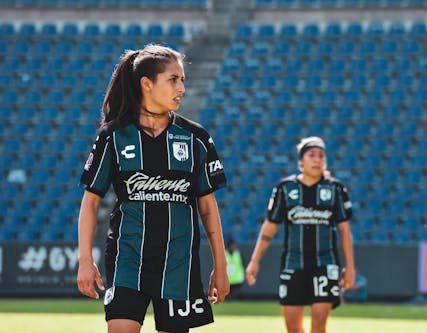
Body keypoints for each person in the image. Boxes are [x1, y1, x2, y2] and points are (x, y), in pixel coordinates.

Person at [77, 44, 229, 333]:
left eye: (183, 80)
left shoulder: (196, 138)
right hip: (127, 258)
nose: (181, 88)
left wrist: (221, 266)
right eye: (173, 79)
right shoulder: (113, 136)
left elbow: (208, 208)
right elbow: (91, 201)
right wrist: (85, 260)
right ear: (146, 84)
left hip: (179, 265)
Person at [245, 136, 355, 333]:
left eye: (321, 156)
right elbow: (270, 226)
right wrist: (255, 260)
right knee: (293, 327)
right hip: (293, 263)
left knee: (319, 324)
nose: (317, 160)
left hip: (325, 263)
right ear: (300, 161)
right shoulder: (285, 189)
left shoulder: (335, 189)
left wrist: (350, 266)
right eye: (311, 155)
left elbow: (344, 230)